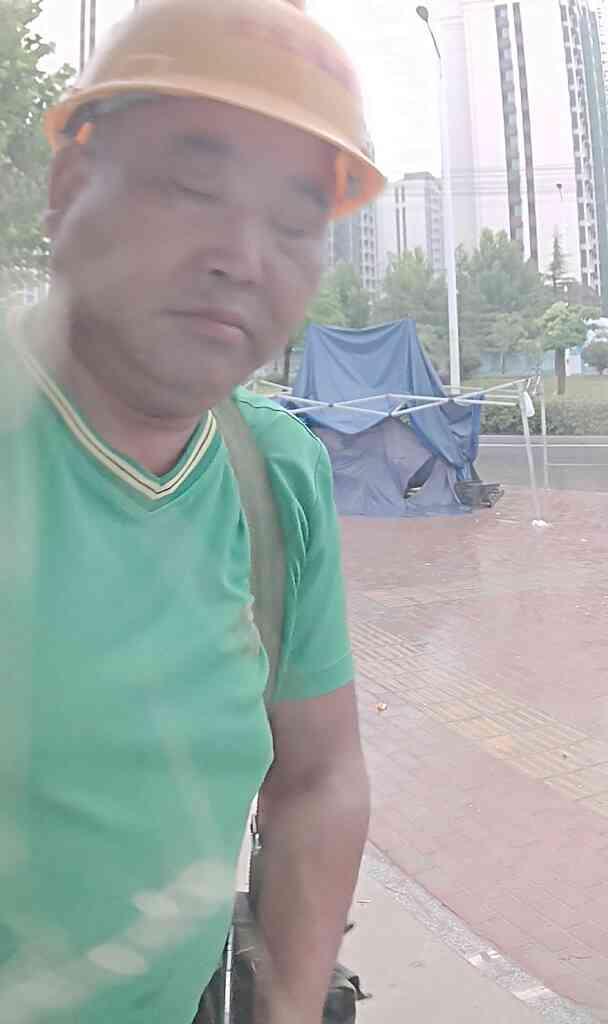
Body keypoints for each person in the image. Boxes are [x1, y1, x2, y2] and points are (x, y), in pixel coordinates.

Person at [0, 1, 385, 1022]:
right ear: (70, 189)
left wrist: (289, 1004)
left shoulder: (276, 475)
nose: (242, 256)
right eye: (190, 185)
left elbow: (318, 775)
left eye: (295, 223)